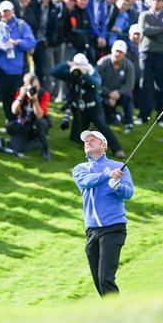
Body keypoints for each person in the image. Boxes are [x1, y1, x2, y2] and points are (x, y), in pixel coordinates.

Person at [72, 130, 134, 296]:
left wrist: (117, 186)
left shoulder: (119, 167)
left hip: (114, 228)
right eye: (86, 141)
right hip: (92, 231)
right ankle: (115, 313)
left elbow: (128, 193)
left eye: (93, 140)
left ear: (104, 145)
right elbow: (87, 181)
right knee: (98, 281)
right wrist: (107, 175)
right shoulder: (80, 169)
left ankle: (117, 317)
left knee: (105, 278)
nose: (88, 142)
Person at [51, 53, 126, 159]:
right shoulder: (71, 73)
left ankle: (117, 148)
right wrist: (67, 64)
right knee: (76, 138)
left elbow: (96, 86)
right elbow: (53, 72)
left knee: (102, 125)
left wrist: (85, 75)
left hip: (94, 108)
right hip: (80, 110)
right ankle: (91, 131)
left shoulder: (92, 72)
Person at [0, 1, 36, 122]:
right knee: (5, 96)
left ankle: (22, 120)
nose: (6, 13)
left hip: (19, 69)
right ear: (0, 13)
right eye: (4, 11)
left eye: (8, 11)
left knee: (20, 96)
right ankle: (10, 121)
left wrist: (17, 42)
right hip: (2, 69)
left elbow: (31, 43)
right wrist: (0, 46)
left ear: (13, 11)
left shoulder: (21, 25)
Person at [136, 0, 163, 125]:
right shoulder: (144, 15)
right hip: (146, 54)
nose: (156, 2)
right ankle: (143, 115)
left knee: (162, 86)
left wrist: (154, 34)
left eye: (159, 0)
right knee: (145, 84)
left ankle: (160, 117)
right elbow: (145, 30)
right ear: (150, 1)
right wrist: (161, 30)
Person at [7, 73, 52, 161]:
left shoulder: (44, 94)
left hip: (38, 126)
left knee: (40, 122)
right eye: (34, 87)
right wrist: (21, 97)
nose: (36, 89)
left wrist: (35, 100)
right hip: (24, 124)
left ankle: (45, 149)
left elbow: (40, 115)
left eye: (37, 86)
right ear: (26, 86)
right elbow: (14, 111)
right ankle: (35, 143)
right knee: (15, 148)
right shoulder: (21, 92)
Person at [96, 40, 135, 133]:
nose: (117, 54)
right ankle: (115, 116)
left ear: (124, 54)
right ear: (112, 51)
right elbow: (96, 82)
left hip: (119, 94)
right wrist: (109, 94)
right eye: (116, 51)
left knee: (128, 97)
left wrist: (118, 93)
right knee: (108, 121)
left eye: (120, 52)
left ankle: (129, 124)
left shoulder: (128, 65)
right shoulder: (102, 63)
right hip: (104, 94)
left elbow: (130, 85)